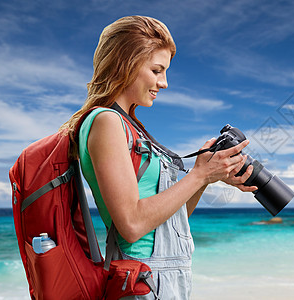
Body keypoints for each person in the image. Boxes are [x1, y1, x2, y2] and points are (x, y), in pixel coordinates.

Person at [60, 15, 257, 299]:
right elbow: (131, 224)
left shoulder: (130, 126)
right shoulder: (106, 122)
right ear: (125, 63)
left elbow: (170, 220)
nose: (164, 83)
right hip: (144, 280)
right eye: (156, 70)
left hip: (164, 278)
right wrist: (200, 175)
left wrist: (205, 177)